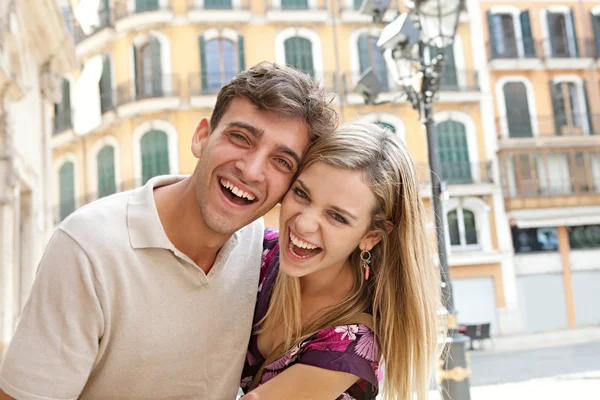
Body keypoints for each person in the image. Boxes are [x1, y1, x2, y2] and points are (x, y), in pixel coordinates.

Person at [0, 62, 337, 400]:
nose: (250, 171)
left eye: (281, 162)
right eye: (240, 138)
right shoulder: (88, 247)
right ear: (202, 137)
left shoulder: (262, 254)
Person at [240, 122, 442, 400]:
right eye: (301, 193)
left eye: (337, 217)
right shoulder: (258, 252)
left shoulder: (355, 340)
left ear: (371, 236)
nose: (304, 223)